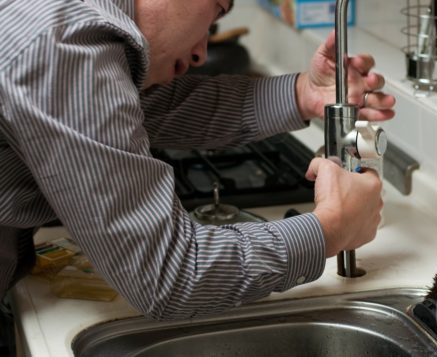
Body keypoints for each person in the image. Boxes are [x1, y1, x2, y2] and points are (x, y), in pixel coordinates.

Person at [0, 0, 396, 329]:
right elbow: (169, 277)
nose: (201, 52)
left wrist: (303, 93)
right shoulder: (66, 45)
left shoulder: (69, 21)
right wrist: (329, 229)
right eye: (215, 11)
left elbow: (157, 108)